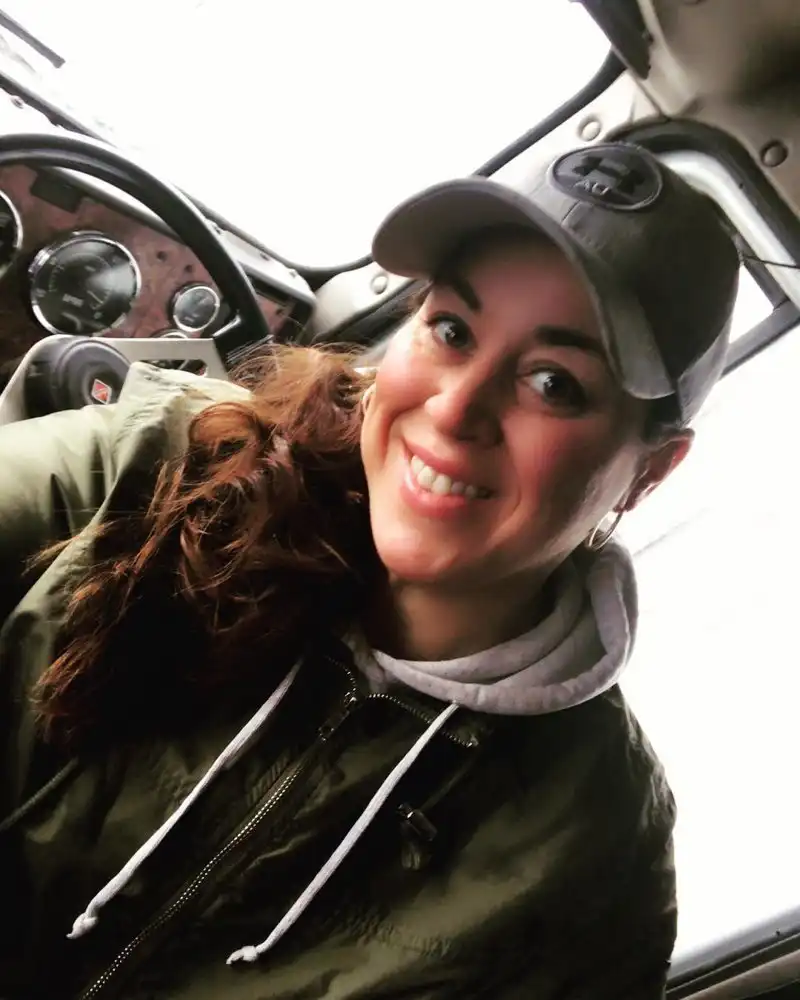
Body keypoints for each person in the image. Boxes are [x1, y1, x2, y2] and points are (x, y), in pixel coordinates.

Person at [0, 142, 739, 1000]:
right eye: (452, 331)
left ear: (650, 471)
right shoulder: (163, 462)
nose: (456, 409)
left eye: (554, 382)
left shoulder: (592, 867)